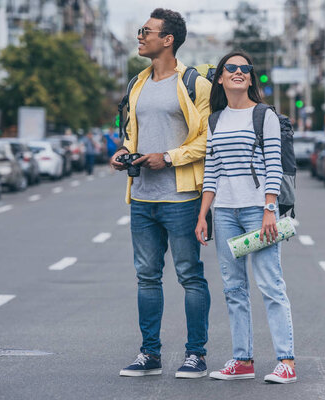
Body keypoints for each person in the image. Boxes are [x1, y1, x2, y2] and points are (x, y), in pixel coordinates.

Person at [109, 8, 211, 379]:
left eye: (146, 31)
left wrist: (168, 157)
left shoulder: (195, 84)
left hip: (181, 198)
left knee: (190, 276)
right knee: (147, 277)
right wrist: (124, 153)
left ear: (168, 40)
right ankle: (149, 354)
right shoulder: (137, 83)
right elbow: (131, 134)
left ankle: (195, 355)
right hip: (142, 198)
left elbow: (206, 140)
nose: (140, 36)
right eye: (140, 30)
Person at [195, 51, 297, 384]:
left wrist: (270, 209)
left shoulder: (263, 115)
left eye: (245, 69)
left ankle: (286, 361)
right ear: (220, 78)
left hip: (257, 211)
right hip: (224, 212)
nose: (239, 72)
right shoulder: (215, 120)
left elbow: (274, 165)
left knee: (270, 283)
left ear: (250, 79)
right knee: (233, 288)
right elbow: (212, 170)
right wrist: (203, 215)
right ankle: (243, 360)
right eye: (231, 68)